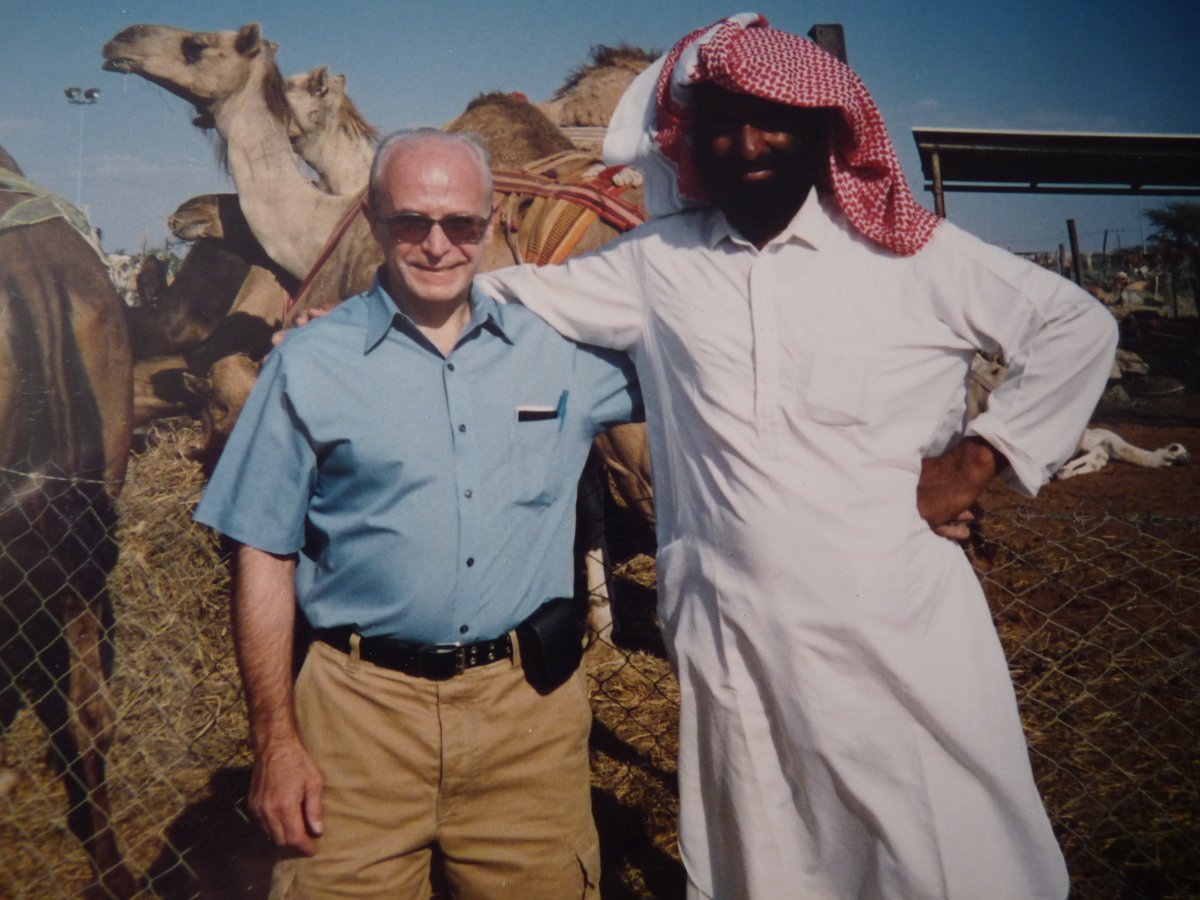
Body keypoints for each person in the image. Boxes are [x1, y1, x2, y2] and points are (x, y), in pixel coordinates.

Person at [477, 14, 1119, 900]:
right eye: (722, 126)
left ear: (824, 130)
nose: (747, 145)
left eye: (773, 120)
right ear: (690, 142)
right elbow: (497, 296)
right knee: (762, 852)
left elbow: (1075, 325)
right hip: (733, 636)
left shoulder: (909, 256)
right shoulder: (654, 266)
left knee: (938, 848)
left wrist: (978, 459)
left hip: (897, 634)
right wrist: (355, 327)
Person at [194, 128, 641, 899]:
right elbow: (263, 552)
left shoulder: (563, 357)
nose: (437, 245)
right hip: (357, 721)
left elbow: (722, 364)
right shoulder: (308, 362)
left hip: (526, 722)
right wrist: (274, 740)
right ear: (373, 221)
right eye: (411, 222)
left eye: (460, 224)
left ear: (492, 223)